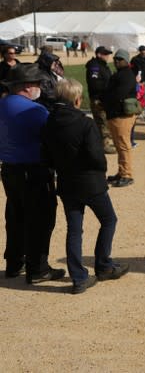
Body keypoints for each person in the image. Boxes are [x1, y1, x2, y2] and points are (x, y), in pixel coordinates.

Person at [41, 79, 129, 294]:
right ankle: (104, 265)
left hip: (66, 182)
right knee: (109, 220)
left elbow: (47, 156)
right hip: (90, 181)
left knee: (74, 229)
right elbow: (97, 157)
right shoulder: (85, 122)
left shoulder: (49, 121)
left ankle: (79, 278)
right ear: (77, 100)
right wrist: (100, 170)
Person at [0, 64, 64, 284]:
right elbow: (53, 135)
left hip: (9, 168)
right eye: (37, 84)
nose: (40, 87)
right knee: (40, 218)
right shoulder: (34, 110)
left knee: (15, 215)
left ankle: (14, 263)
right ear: (27, 87)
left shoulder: (2, 104)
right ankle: (38, 268)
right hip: (33, 170)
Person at [103, 49, 138, 188]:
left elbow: (118, 94)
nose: (116, 61)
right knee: (119, 145)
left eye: (120, 59)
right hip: (116, 114)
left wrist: (104, 100)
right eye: (115, 58)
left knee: (123, 145)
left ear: (126, 61)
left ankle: (127, 175)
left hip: (122, 115)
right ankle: (121, 171)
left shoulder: (126, 75)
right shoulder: (121, 74)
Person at [85, 46, 116, 154]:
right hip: (98, 99)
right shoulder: (95, 67)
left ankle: (103, 143)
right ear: (99, 54)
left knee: (104, 121)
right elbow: (95, 84)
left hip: (105, 98)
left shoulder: (103, 66)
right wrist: (109, 87)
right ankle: (104, 145)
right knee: (102, 122)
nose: (108, 56)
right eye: (105, 54)